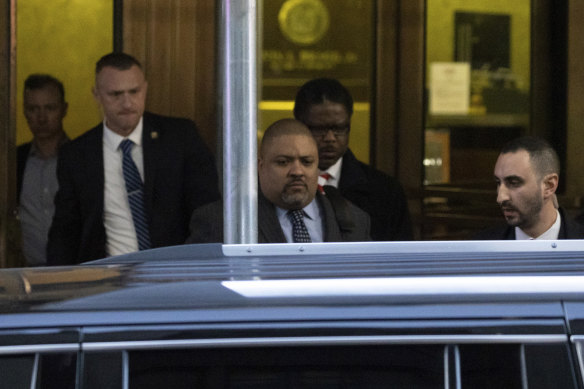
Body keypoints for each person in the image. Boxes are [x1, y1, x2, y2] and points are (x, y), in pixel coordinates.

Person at [47, 52, 220, 265]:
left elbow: (207, 209)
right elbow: (65, 230)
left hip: (175, 272)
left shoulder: (180, 137)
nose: (127, 103)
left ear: (145, 89)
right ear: (97, 95)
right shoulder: (77, 155)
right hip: (107, 278)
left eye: (134, 92)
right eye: (115, 94)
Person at [186, 118, 370, 243]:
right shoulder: (220, 221)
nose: (297, 171)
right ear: (261, 166)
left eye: (307, 162)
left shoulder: (354, 220)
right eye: (283, 162)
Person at [293, 78, 413, 241]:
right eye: (319, 129)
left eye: (339, 129)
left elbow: (400, 259)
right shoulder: (275, 185)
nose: (330, 138)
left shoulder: (385, 192)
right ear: (299, 126)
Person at [475, 136, 584, 240]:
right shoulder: (482, 246)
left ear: (549, 186)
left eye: (513, 183)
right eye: (499, 183)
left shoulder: (579, 239)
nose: (500, 197)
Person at [17, 74, 69, 266]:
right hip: (24, 272)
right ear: (24, 112)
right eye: (33, 109)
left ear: (64, 110)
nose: (41, 118)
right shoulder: (15, 161)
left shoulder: (80, 159)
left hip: (73, 270)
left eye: (49, 108)